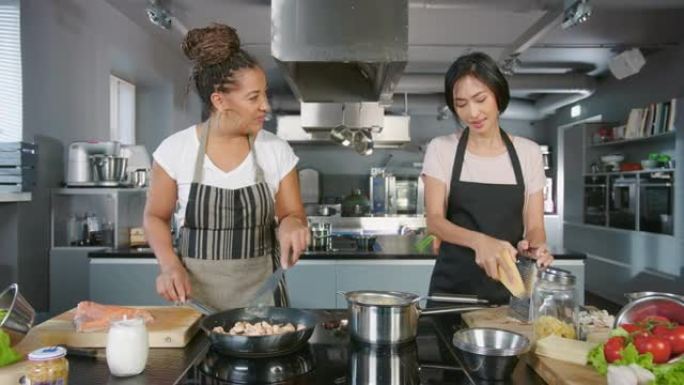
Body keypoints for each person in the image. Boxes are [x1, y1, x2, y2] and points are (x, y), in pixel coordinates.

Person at [143, 23, 309, 310]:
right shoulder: (174, 150)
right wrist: (169, 265)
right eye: (253, 97)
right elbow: (155, 217)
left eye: (264, 94)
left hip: (263, 306)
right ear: (219, 101)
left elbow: (292, 214)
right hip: (195, 305)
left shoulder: (275, 150)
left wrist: (293, 226)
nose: (265, 106)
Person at [421, 52, 554, 305]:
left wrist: (537, 248)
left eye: (480, 99)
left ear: (498, 93)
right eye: (461, 104)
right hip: (453, 292)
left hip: (510, 294)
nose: (473, 112)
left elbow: (535, 226)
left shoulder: (529, 152)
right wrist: (480, 242)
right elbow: (435, 222)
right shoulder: (442, 149)